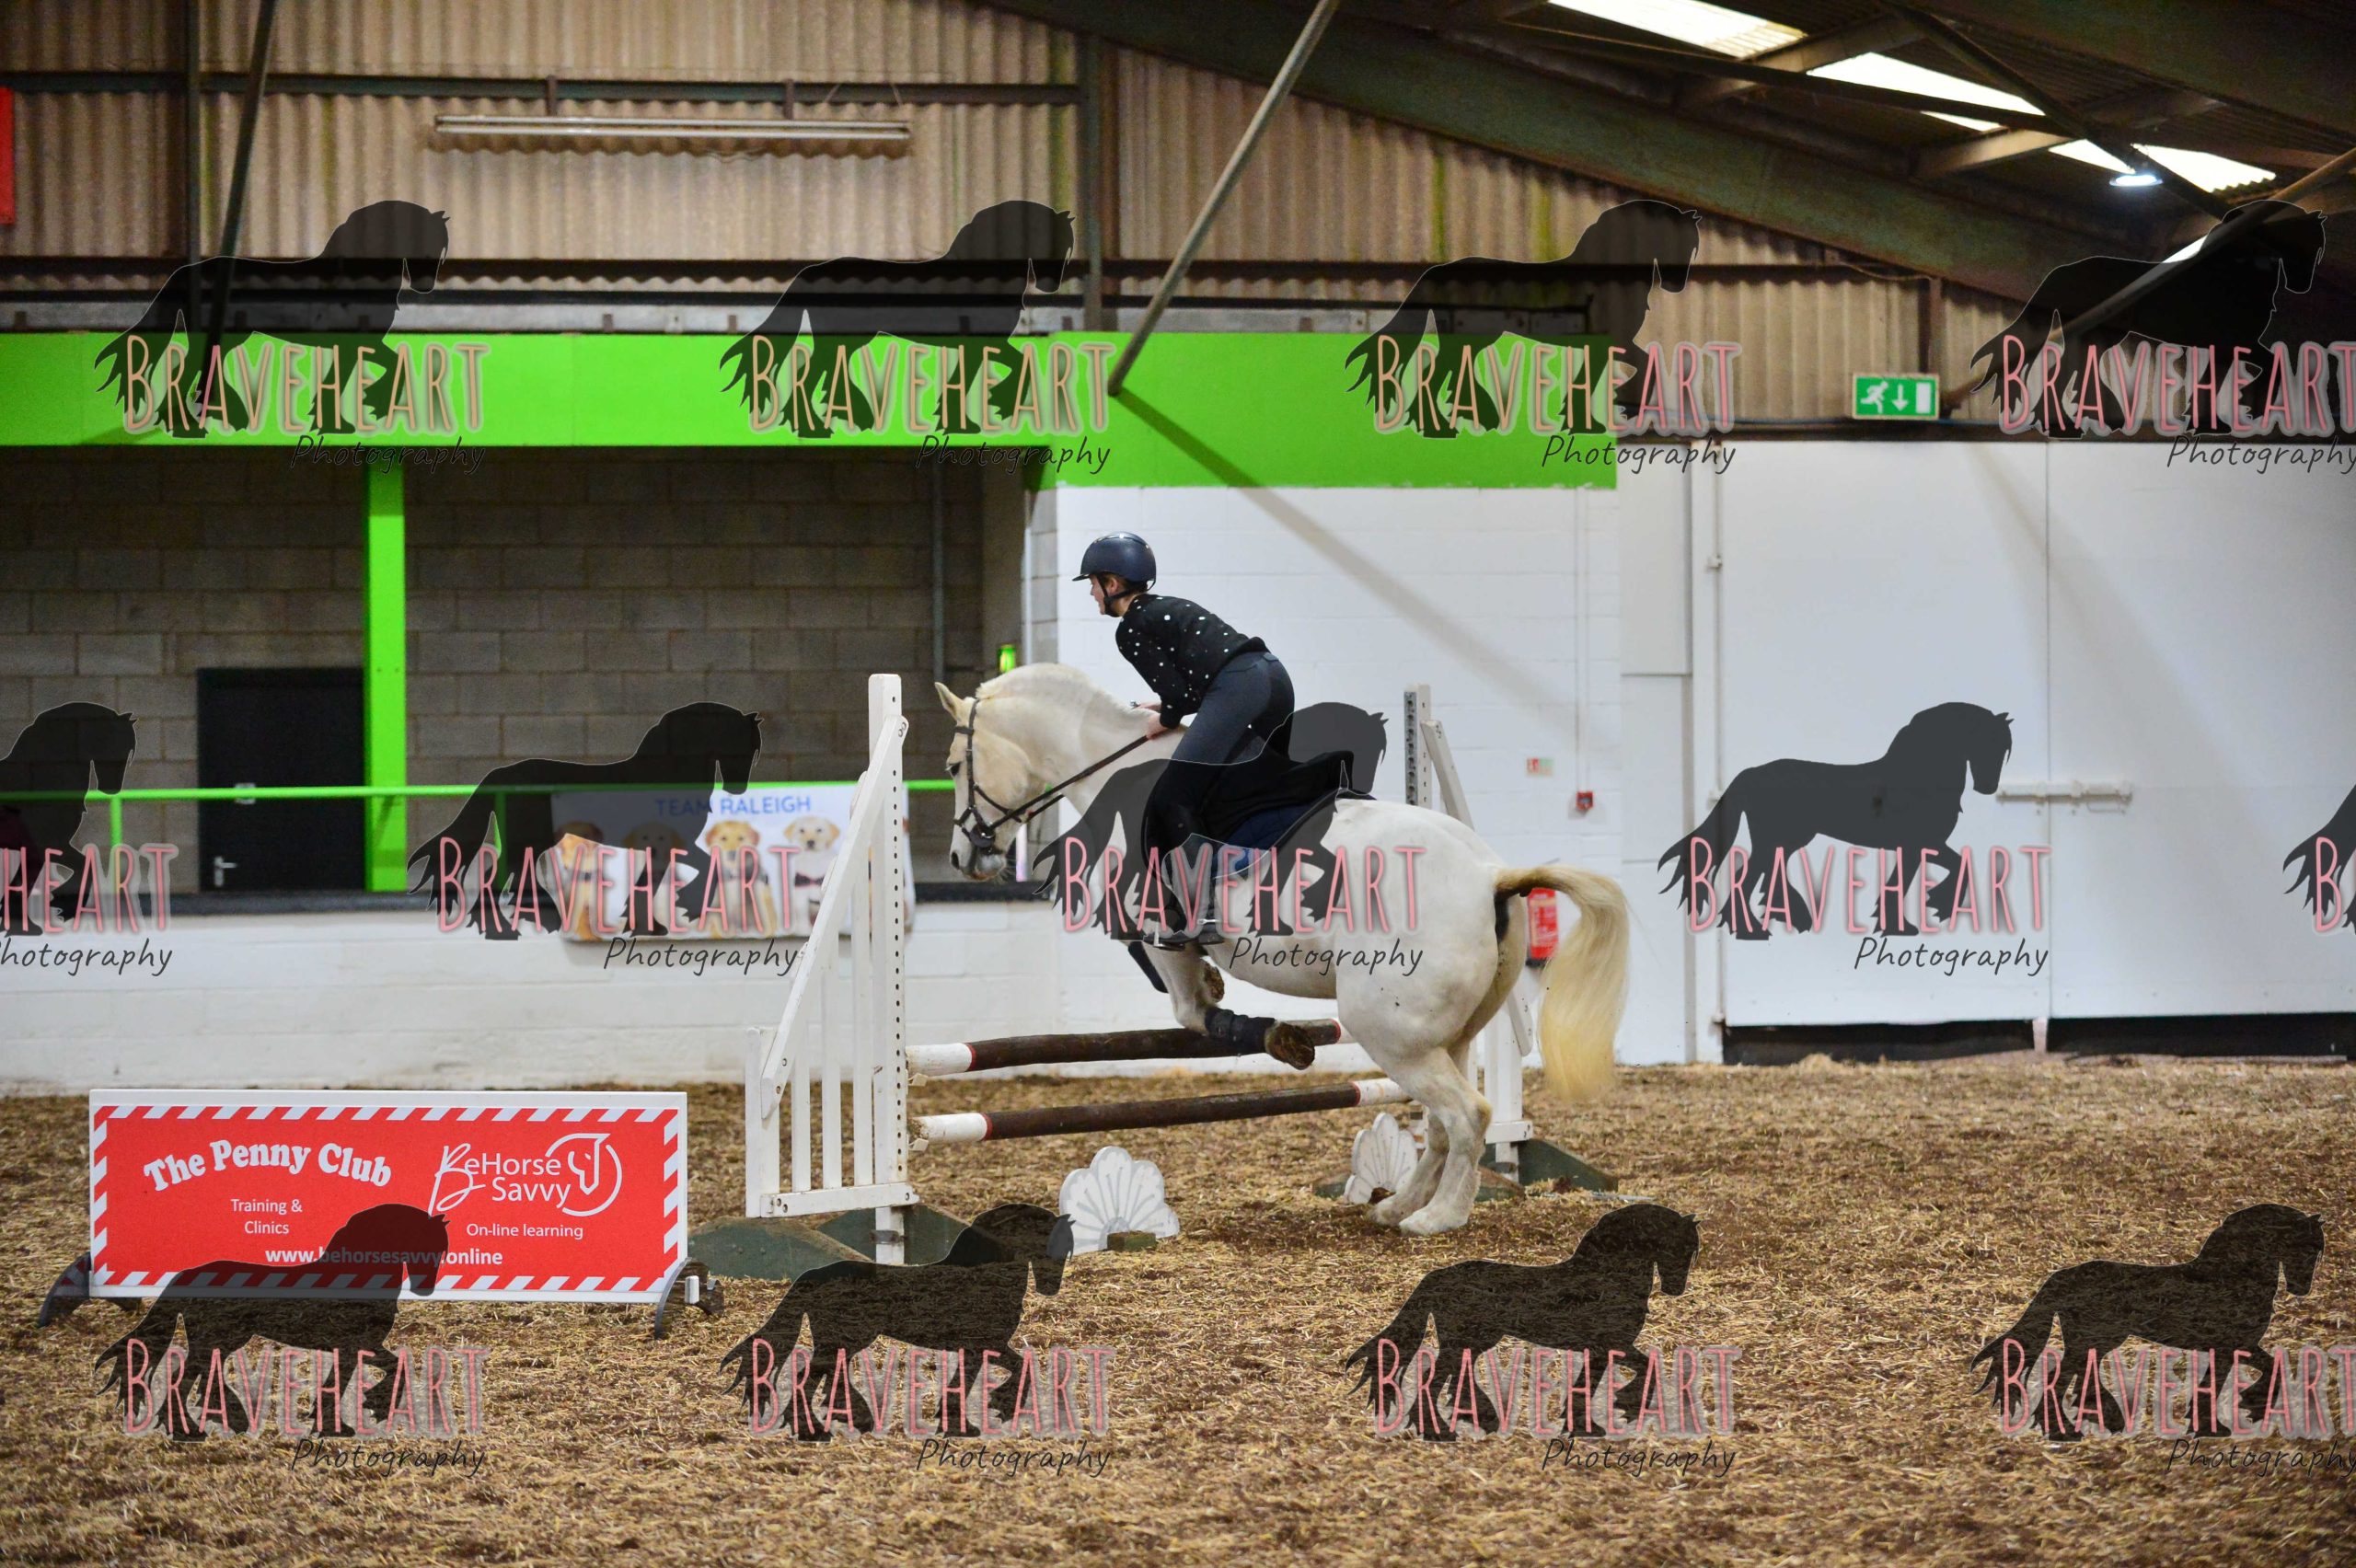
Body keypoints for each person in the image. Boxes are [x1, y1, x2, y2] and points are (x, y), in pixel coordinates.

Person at [1077, 532, 1294, 947]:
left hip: (1238, 688)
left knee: (1172, 796)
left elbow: (1183, 698)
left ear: (1113, 583)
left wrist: (1164, 718)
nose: (1091, 594)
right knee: (1255, 783)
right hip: (1273, 677)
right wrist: (1167, 706)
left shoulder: (1131, 628)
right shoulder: (1168, 606)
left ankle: (1203, 912)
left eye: (1093, 584)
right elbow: (1196, 688)